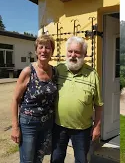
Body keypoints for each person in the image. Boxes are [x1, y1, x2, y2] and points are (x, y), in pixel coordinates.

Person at [51, 36, 103, 163]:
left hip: (82, 130)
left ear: (84, 54)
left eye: (77, 52)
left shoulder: (92, 75)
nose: (73, 55)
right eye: (70, 51)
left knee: (81, 160)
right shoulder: (58, 70)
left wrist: (97, 127)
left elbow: (98, 104)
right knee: (56, 158)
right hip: (59, 126)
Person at [11, 34, 58, 163]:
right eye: (41, 47)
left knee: (39, 159)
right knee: (28, 161)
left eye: (47, 47)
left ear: (52, 51)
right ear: (36, 50)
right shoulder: (28, 72)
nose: (44, 50)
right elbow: (15, 100)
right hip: (29, 124)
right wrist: (15, 127)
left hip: (47, 124)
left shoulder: (55, 72)